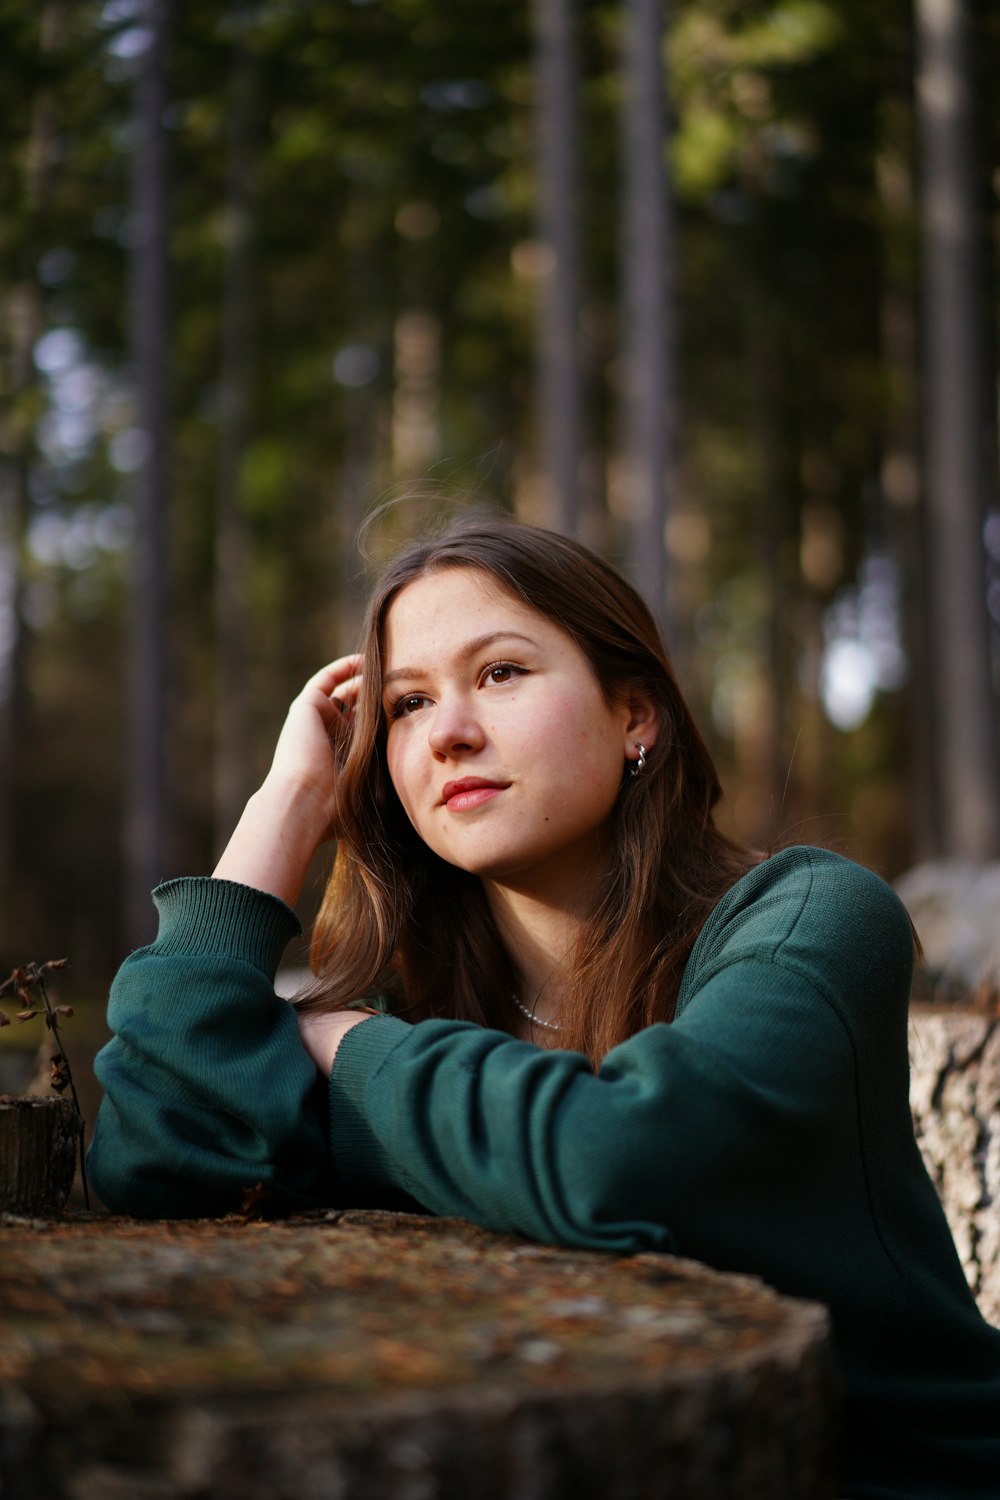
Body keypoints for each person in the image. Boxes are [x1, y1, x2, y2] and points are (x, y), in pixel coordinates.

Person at [90, 513, 1000, 1500]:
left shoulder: (810, 919)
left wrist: (342, 1040)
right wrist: (291, 800)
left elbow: (623, 1157)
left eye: (501, 674)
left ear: (634, 717)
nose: (448, 733)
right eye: (404, 703)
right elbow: (156, 1151)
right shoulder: (417, 992)